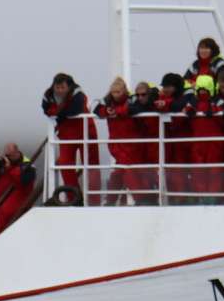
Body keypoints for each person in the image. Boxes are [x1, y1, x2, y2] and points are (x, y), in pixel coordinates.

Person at [96, 77, 158, 205]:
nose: (116, 95)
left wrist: (117, 112)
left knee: (124, 171)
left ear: (124, 91)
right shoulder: (107, 101)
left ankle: (137, 199)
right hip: (117, 143)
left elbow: (138, 108)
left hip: (132, 143)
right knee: (126, 170)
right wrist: (106, 111)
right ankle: (143, 199)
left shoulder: (132, 100)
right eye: (114, 92)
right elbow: (96, 109)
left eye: (118, 92)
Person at [42, 72, 96, 191]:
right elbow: (45, 109)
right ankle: (74, 197)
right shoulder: (48, 95)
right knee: (65, 164)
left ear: (69, 87)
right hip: (66, 134)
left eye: (62, 87)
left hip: (86, 131)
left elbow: (74, 110)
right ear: (53, 86)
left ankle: (93, 199)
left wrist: (56, 112)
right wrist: (59, 112)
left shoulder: (78, 94)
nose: (60, 90)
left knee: (92, 166)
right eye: (57, 87)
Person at [0, 142, 39, 234]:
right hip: (2, 212)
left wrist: (10, 168)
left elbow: (23, 181)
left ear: (17, 152)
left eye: (10, 155)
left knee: (22, 236)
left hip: (21, 210)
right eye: (6, 155)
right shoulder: (2, 164)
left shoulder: (28, 166)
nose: (8, 157)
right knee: (0, 239)